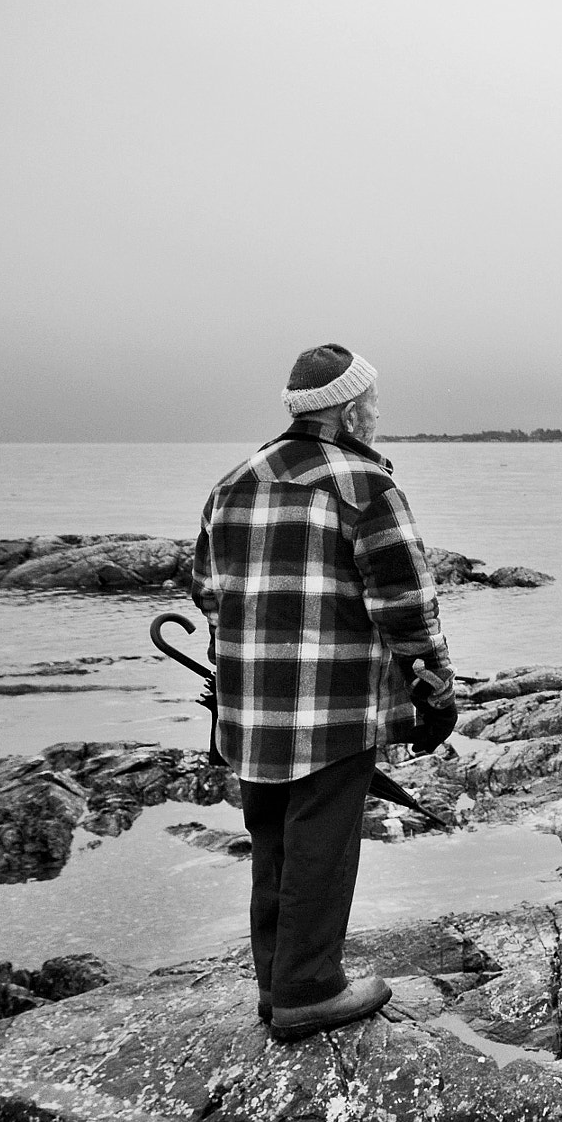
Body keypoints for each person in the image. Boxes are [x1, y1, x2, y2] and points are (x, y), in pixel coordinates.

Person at [189, 344, 457, 1042]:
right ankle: (309, 991)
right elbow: (404, 601)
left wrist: (230, 679)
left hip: (250, 705)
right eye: (371, 403)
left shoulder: (233, 482)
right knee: (322, 841)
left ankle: (277, 985)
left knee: (273, 839)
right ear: (348, 407)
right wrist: (435, 688)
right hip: (336, 704)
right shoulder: (366, 485)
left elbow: (210, 597)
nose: (376, 413)